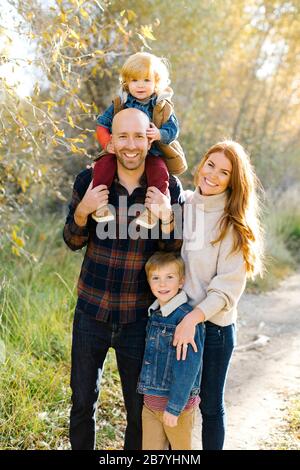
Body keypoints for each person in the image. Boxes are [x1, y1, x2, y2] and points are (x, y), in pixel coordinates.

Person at [63, 108, 184, 450]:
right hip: (91, 312)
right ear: (112, 141)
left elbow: (172, 253)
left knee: (137, 410)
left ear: (149, 138)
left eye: (138, 136)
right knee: (83, 402)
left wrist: (167, 219)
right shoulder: (89, 182)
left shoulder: (167, 187)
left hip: (138, 318)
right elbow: (72, 241)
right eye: (123, 137)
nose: (131, 145)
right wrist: (84, 210)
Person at [173, 140, 264, 450]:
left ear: (232, 181)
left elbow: (226, 289)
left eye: (223, 172)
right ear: (201, 165)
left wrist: (193, 319)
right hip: (177, 322)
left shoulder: (233, 226)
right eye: (210, 165)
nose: (213, 175)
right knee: (175, 403)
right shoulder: (184, 204)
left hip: (213, 330)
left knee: (209, 407)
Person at [92, 51, 187, 228]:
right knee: (103, 165)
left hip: (153, 152)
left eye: (146, 80)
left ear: (156, 82)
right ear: (126, 83)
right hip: (122, 150)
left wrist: (159, 133)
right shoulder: (121, 103)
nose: (140, 85)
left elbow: (174, 129)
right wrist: (107, 143)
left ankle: (151, 212)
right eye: (134, 80)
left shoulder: (162, 105)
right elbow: (102, 124)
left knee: (159, 174)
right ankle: (100, 205)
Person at [137, 251, 204, 450]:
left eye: (169, 277)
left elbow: (188, 368)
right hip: (150, 404)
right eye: (156, 278)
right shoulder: (153, 313)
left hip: (177, 407)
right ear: (149, 282)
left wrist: (174, 408)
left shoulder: (186, 320)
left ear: (181, 282)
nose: (162, 284)